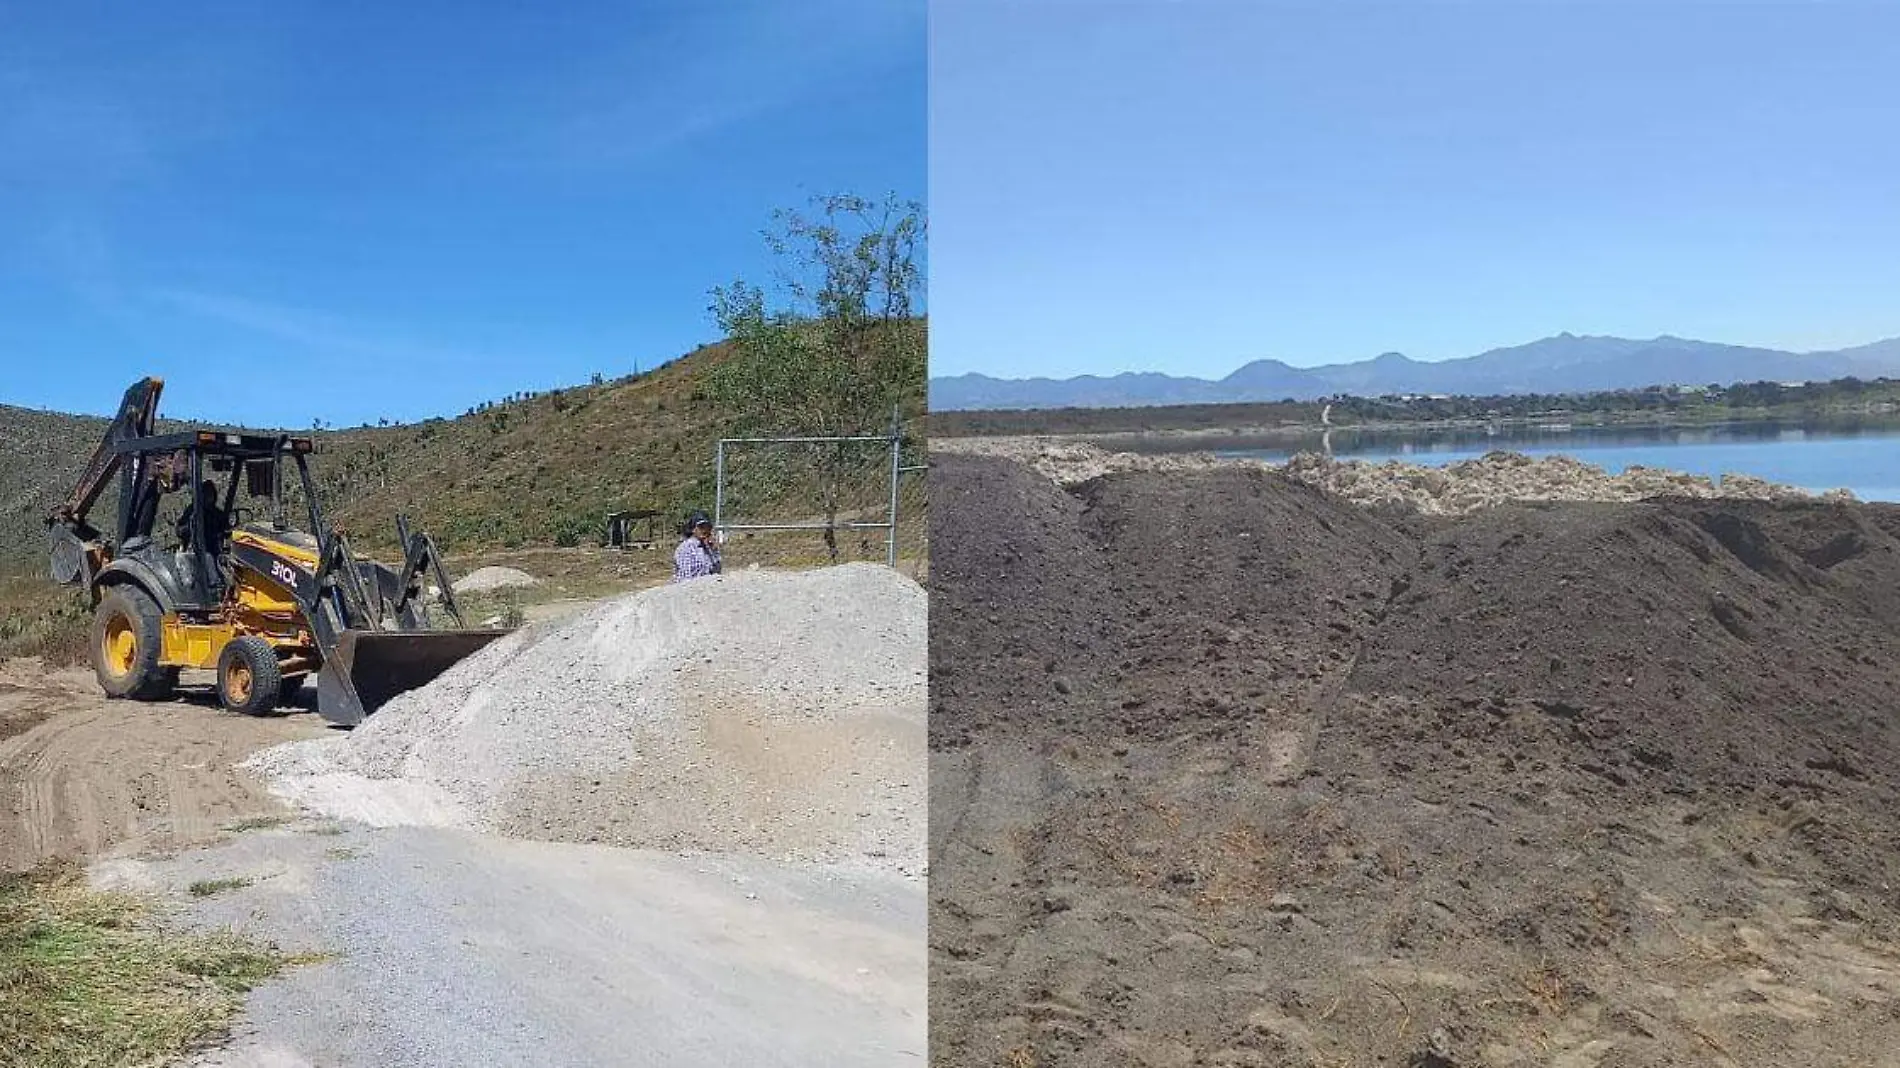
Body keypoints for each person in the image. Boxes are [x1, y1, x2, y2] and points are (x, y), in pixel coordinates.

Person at [176, 477, 229, 552]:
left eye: (211, 494)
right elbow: (179, 530)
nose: (209, 498)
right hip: (194, 551)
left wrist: (227, 531)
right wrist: (187, 528)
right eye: (207, 494)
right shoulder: (192, 510)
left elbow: (227, 532)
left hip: (212, 552)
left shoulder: (217, 513)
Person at [672, 511, 721, 582]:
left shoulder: (707, 547)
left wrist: (715, 551)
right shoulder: (686, 548)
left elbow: (717, 571)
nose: (705, 530)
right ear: (693, 529)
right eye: (701, 527)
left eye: (708, 527)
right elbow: (685, 577)